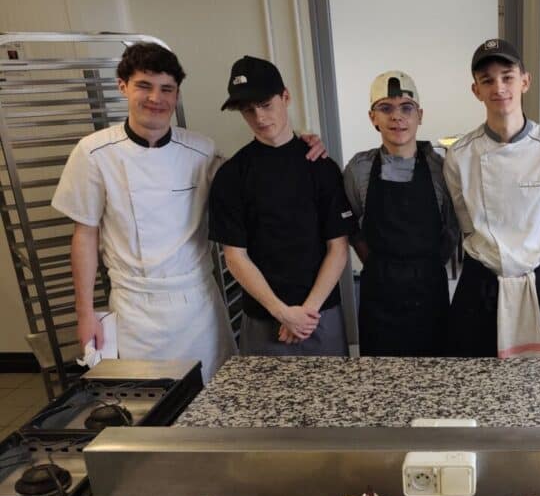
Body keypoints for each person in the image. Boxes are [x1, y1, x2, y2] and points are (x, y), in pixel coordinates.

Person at [54, 42, 236, 383]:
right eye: (144, 86)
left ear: (177, 94)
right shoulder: (94, 153)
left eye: (166, 89)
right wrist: (85, 314)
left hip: (196, 304)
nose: (156, 98)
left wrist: (301, 142)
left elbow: (251, 183)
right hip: (135, 309)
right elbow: (85, 235)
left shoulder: (201, 150)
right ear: (123, 86)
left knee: (213, 400)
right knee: (151, 410)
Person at [209, 56, 354, 357]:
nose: (260, 117)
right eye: (248, 110)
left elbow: (338, 249)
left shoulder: (321, 166)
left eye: (265, 104)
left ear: (285, 97)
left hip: (320, 314)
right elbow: (235, 256)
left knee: (332, 401)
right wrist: (283, 313)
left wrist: (306, 313)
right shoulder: (231, 174)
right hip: (263, 318)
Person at [443, 38, 540, 358]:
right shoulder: (459, 155)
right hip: (480, 283)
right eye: (487, 80)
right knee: (475, 380)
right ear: (476, 90)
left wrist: (527, 269)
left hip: (534, 281)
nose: (499, 87)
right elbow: (466, 224)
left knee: (537, 381)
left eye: (507, 76)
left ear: (525, 82)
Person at [342, 71, 458, 356]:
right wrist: (384, 267)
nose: (397, 117)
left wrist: (424, 267)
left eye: (406, 108)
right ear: (373, 118)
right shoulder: (358, 169)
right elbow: (353, 227)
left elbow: (452, 228)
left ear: (420, 115)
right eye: (386, 108)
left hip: (429, 290)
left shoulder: (441, 168)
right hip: (379, 293)